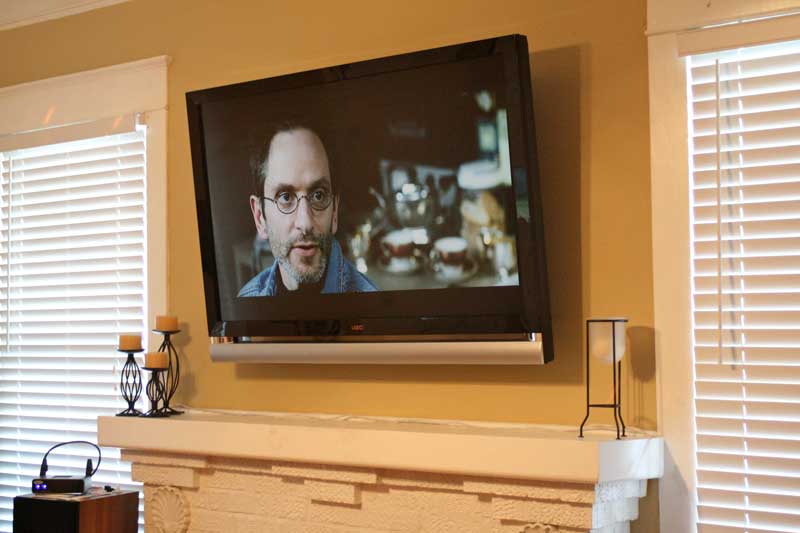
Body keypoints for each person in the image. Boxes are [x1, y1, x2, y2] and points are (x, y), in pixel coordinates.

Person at [238, 124, 377, 296]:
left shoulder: (370, 308)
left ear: (334, 213)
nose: (305, 223)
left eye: (318, 195)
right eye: (285, 197)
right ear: (260, 217)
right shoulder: (247, 300)